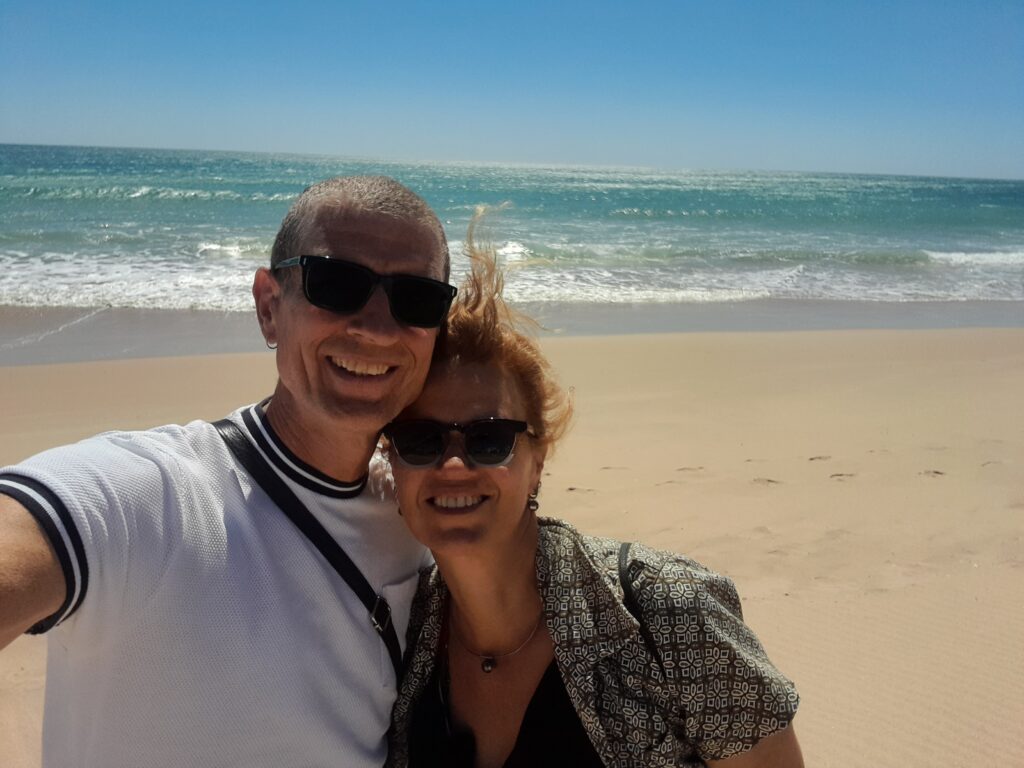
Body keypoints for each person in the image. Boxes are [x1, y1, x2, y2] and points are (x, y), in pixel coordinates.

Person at [0, 176, 456, 768]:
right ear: (269, 307)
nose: (376, 327)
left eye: (416, 299)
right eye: (336, 285)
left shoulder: (418, 515)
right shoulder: (152, 492)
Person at [382, 218, 803, 767]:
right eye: (420, 440)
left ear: (537, 461)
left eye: (489, 439)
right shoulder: (404, 632)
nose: (455, 465)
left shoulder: (668, 612)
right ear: (391, 461)